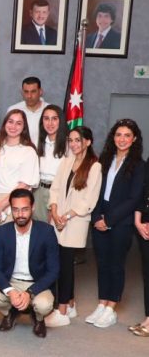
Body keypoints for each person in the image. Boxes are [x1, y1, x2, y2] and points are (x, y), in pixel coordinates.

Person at [87, 118, 145, 328]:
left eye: (127, 135)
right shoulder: (104, 160)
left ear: (134, 139)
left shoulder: (139, 165)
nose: (122, 139)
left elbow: (134, 198)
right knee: (102, 263)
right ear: (113, 137)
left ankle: (111, 308)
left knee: (116, 264)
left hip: (121, 221)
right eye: (119, 135)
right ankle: (102, 304)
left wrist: (109, 220)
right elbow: (95, 190)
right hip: (99, 217)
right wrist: (96, 218)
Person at [44, 126, 102, 327]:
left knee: (65, 265)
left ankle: (61, 311)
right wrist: (54, 211)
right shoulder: (67, 161)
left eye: (78, 140)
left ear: (88, 142)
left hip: (75, 222)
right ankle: (70, 304)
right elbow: (55, 188)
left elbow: (89, 201)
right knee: (59, 262)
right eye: (71, 140)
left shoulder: (94, 166)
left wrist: (66, 216)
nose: (74, 144)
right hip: (58, 218)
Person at [0, 188, 59, 338]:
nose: (20, 214)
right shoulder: (1, 232)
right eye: (16, 210)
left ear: (33, 207)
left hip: (36, 282)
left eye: (25, 209)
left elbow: (54, 270)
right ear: (11, 209)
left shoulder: (46, 232)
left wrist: (30, 293)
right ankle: (10, 312)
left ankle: (38, 319)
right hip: (11, 281)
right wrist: (10, 291)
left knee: (44, 305)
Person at [0, 109, 39, 226]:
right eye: (10, 122)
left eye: (18, 123)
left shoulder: (28, 151)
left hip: (15, 202)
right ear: (5, 123)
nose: (13, 126)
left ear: (24, 127)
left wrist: (1, 205)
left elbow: (24, 184)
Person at [34, 105, 68, 222]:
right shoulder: (37, 143)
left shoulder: (69, 145)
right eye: (46, 118)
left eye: (54, 119)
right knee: (37, 227)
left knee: (53, 227)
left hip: (58, 192)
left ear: (61, 121)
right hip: (38, 190)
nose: (50, 123)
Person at [130, 160, 149, 337]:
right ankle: (148, 318)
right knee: (147, 272)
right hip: (144, 223)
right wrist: (138, 221)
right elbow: (142, 193)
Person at [6, 77, 50, 143]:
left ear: (40, 91)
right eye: (26, 92)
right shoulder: (13, 110)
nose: (29, 96)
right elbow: (7, 135)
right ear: (22, 92)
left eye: (33, 91)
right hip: (20, 149)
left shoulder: (51, 111)